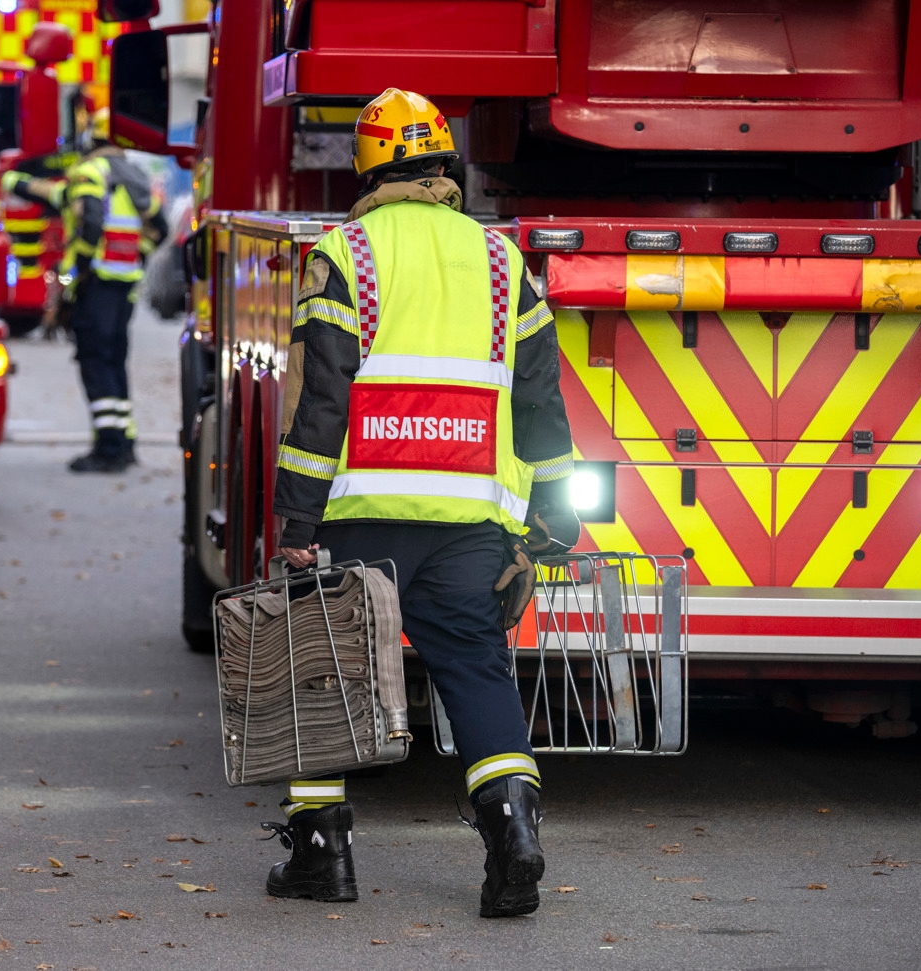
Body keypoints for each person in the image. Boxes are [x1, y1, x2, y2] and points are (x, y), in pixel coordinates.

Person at [265, 88, 580, 918]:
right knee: (476, 667)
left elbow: (320, 398)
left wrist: (298, 520)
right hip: (472, 519)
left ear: (366, 168)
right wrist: (553, 511)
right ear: (446, 164)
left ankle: (321, 856)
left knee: (324, 675)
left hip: (360, 514)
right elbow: (540, 399)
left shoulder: (344, 253)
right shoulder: (502, 259)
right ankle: (513, 831)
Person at [2, 107, 168, 472]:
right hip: (123, 288)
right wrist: (11, 181)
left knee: (96, 362)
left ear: (90, 138)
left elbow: (89, 218)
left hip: (95, 287)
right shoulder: (136, 177)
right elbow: (160, 227)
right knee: (114, 362)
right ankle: (123, 443)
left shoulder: (90, 172)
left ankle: (107, 450)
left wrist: (79, 270)